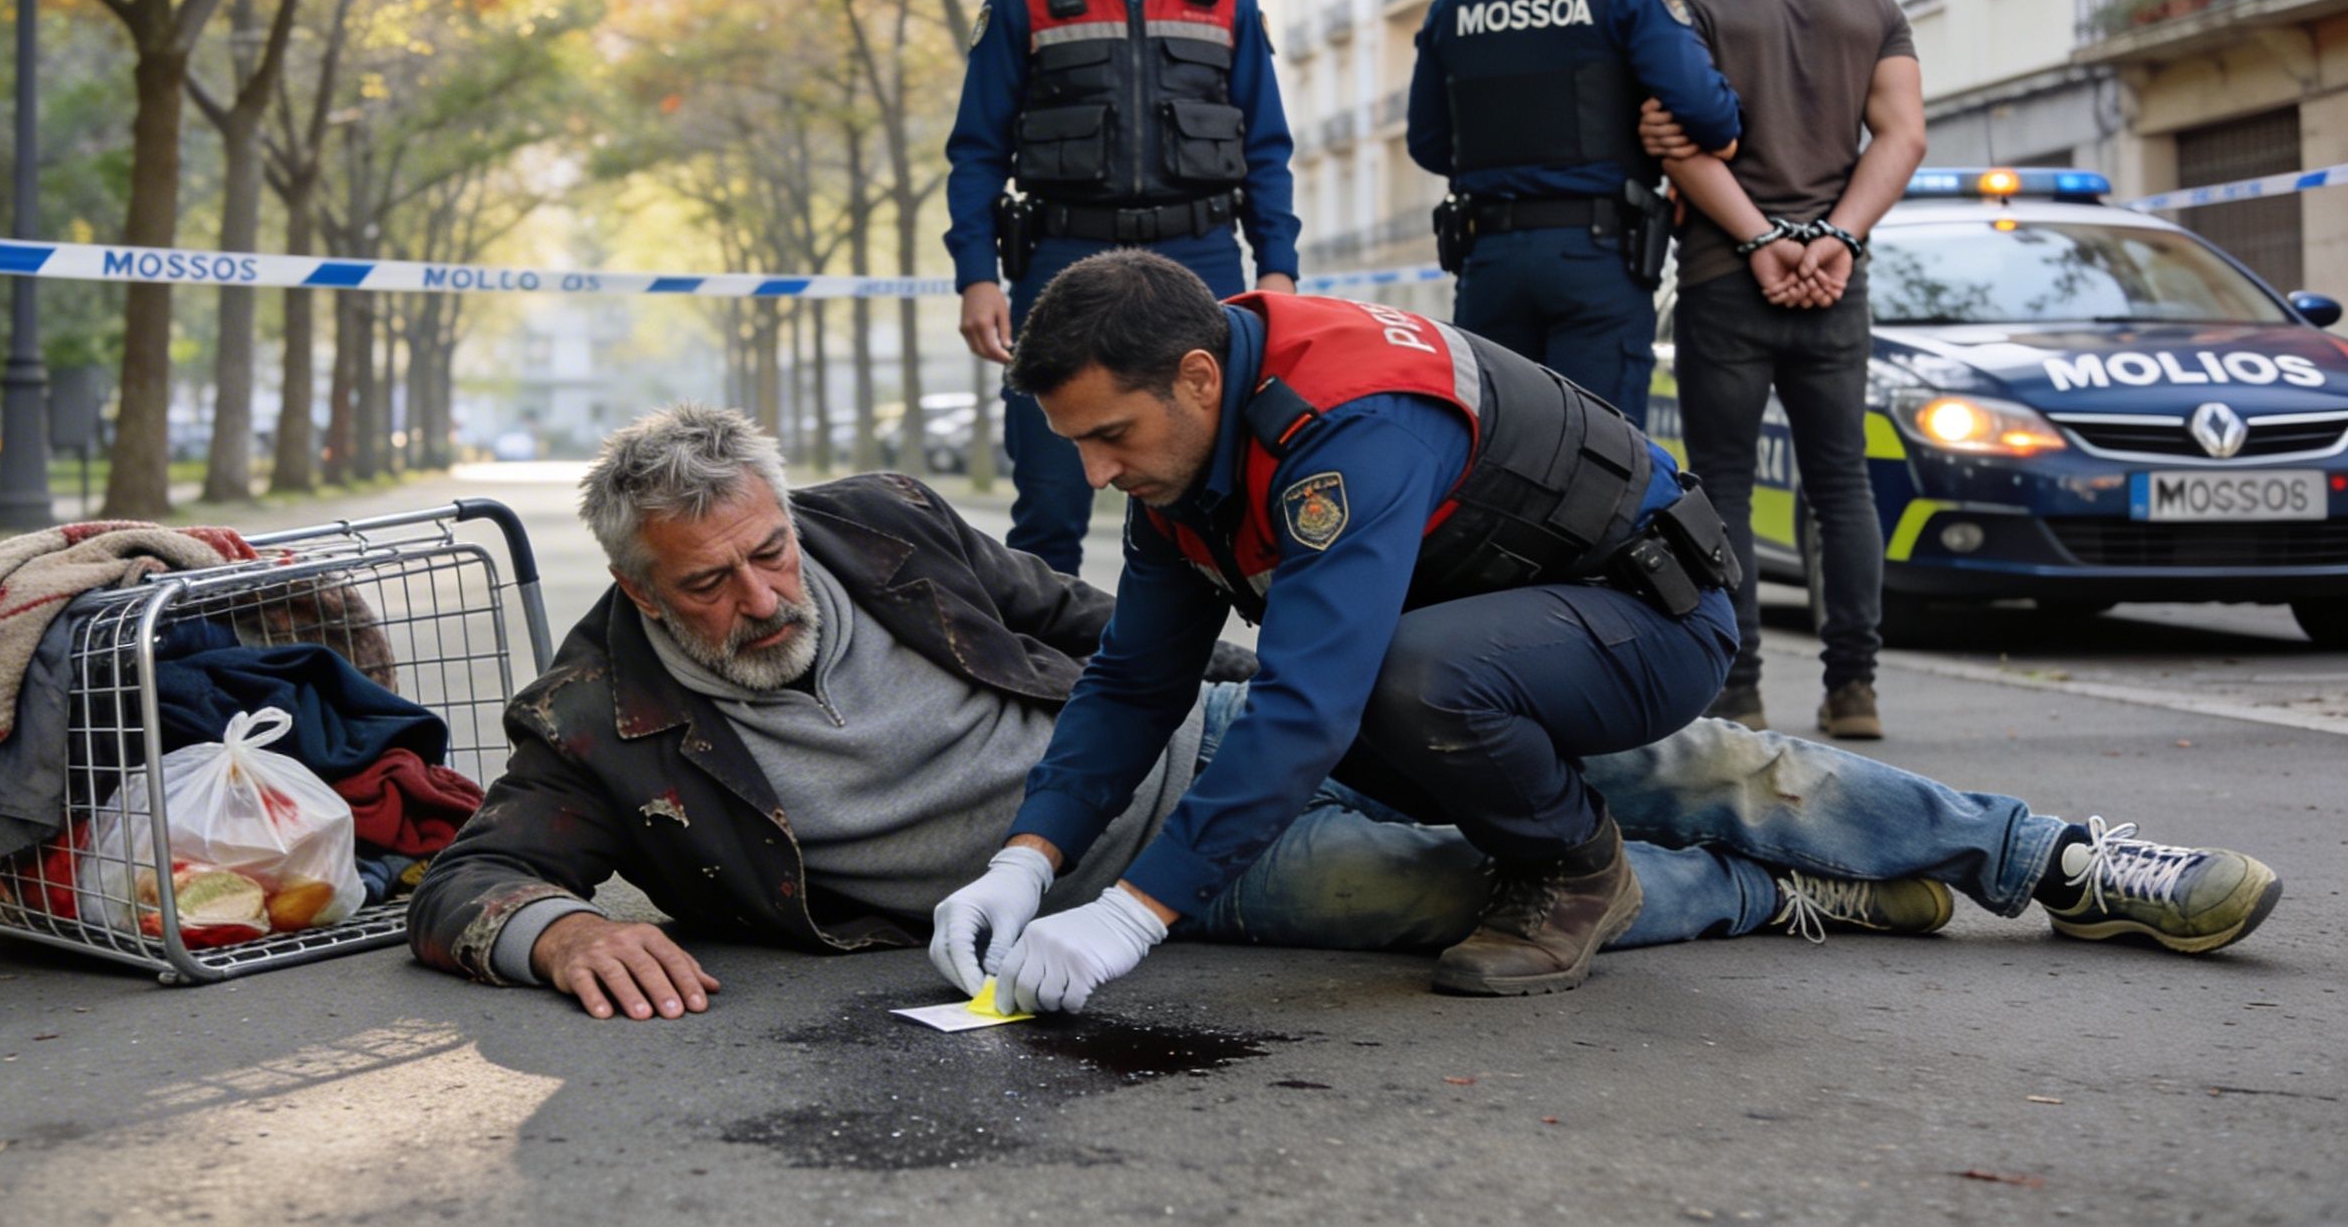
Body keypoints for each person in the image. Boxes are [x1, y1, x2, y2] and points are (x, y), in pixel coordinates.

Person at [407, 408, 2282, 1020]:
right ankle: (1797, 897)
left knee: (1672, 753)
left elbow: (1100, 630)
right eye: (711, 585)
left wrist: (1281, 690)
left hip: (1203, 759)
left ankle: (2049, 856)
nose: (762, 596)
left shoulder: (876, 526)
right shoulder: (601, 709)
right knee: (1463, 891)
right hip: (1163, 896)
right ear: (640, 586)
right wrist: (550, 927)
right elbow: (470, 874)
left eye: (763, 552)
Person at [945, 0, 1300, 578]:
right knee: (1049, 504)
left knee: (1222, 492)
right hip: (1062, 260)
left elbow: (1266, 149)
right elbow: (977, 151)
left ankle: (1234, 656)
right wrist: (976, 275)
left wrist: (1278, 268)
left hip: (1203, 262)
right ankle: (1043, 661)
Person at [1635, 0, 1929, 742]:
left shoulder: (1690, 1)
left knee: (1722, 484)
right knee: (1840, 484)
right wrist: (1835, 238)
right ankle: (1854, 689)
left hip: (1725, 280)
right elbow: (1905, 134)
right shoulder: (1872, 4)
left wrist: (1761, 240)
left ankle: (1739, 691)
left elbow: (1675, 144)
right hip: (1836, 287)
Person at [1405, 0, 1740, 427]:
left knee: (1502, 447)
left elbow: (1428, 143)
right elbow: (1710, 116)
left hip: (1490, 260)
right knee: (1601, 449)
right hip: (1597, 257)